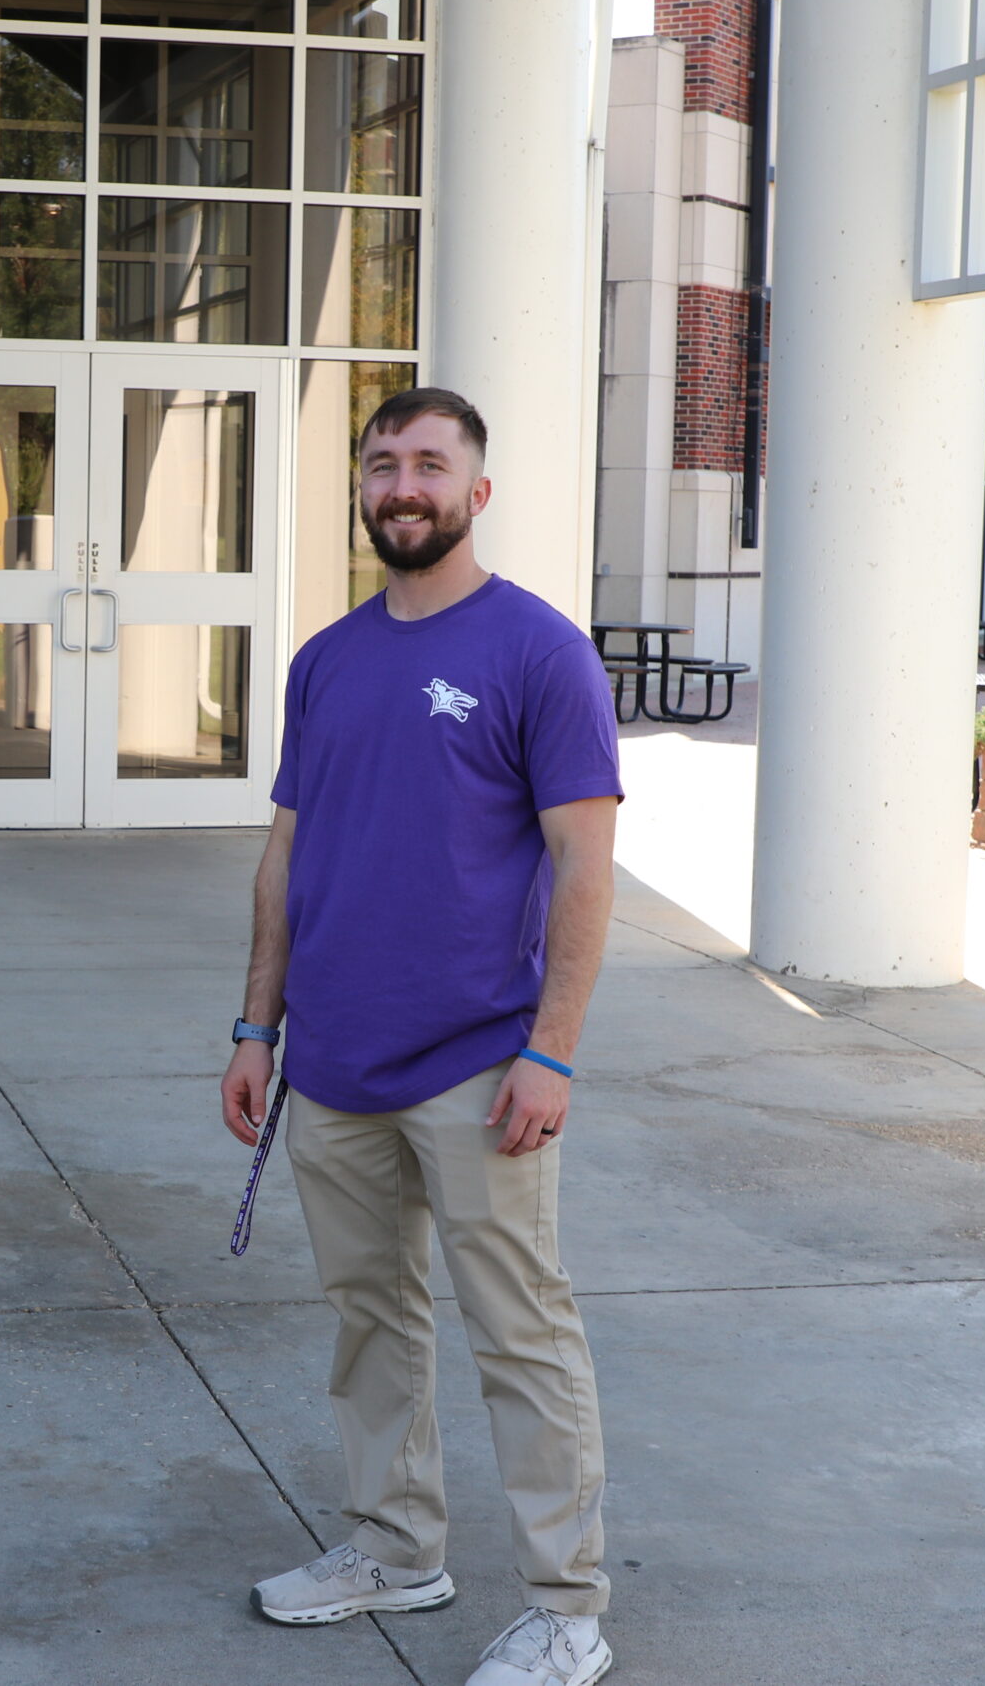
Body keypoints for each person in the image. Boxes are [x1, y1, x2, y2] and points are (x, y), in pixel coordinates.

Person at [221, 388, 623, 1686]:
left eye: (429, 464)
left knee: (523, 1332)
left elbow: (585, 864)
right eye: (382, 461)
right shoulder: (326, 659)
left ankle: (570, 1610)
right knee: (371, 1320)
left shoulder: (538, 652)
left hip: (478, 1064)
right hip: (331, 1066)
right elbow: (289, 852)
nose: (403, 483)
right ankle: (398, 1546)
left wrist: (552, 1047)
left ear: (475, 492)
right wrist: (254, 1025)